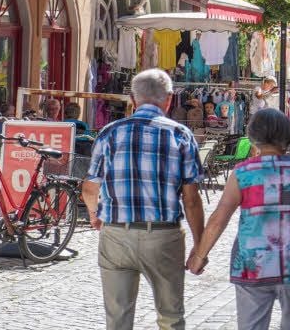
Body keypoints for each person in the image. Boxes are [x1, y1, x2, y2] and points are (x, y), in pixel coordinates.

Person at [186, 109, 290, 330]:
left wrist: (200, 255)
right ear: (286, 135)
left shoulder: (242, 172)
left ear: (253, 136)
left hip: (251, 264)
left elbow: (219, 219)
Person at [81, 69, 204, 330]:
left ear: (133, 100)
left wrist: (95, 215)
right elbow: (192, 200)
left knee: (117, 319)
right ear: (169, 100)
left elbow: (90, 188)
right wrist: (199, 246)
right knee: (170, 317)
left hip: (116, 234)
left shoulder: (109, 133)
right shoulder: (180, 135)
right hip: (163, 236)